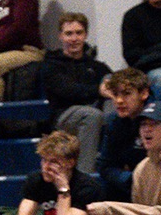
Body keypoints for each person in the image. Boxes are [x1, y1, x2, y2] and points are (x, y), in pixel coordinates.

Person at [37, 12, 111, 143]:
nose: (74, 38)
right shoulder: (50, 65)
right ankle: (86, 164)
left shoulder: (96, 66)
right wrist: (98, 90)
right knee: (92, 115)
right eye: (69, 34)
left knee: (112, 82)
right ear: (60, 36)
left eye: (79, 33)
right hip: (63, 116)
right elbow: (68, 90)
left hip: (93, 112)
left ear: (85, 35)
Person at [92, 68, 152, 195]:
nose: (119, 100)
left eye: (126, 94)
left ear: (144, 93)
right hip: (131, 185)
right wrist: (130, 178)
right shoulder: (114, 122)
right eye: (115, 94)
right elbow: (105, 166)